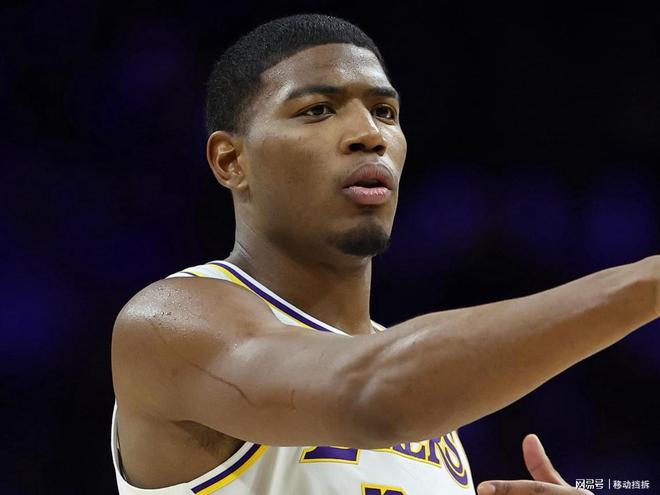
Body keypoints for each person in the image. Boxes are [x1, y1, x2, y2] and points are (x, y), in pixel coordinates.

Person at [110, 13, 659, 495]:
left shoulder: (426, 396)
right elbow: (373, 397)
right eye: (318, 109)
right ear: (231, 161)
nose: (369, 134)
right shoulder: (166, 323)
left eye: (385, 111)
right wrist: (645, 282)